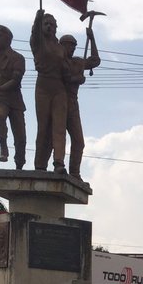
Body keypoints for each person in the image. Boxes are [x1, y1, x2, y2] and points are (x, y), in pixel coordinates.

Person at [60, 26, 100, 179]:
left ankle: (74, 172)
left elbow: (95, 61)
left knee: (79, 141)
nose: (72, 48)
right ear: (61, 45)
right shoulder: (56, 61)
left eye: (74, 46)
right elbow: (62, 78)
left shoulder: (77, 62)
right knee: (58, 138)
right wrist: (77, 78)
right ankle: (59, 166)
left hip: (73, 104)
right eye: (69, 45)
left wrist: (92, 37)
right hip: (59, 102)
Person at [0, 25, 26, 169]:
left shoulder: (18, 58)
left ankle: (19, 162)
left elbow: (16, 80)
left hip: (15, 100)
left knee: (20, 138)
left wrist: (0, 88)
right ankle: (3, 146)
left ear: (8, 39)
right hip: (0, 99)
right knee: (0, 116)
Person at [30, 8, 68, 172]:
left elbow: (67, 67)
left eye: (52, 24)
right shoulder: (38, 43)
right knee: (43, 127)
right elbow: (34, 35)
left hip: (59, 87)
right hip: (43, 87)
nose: (49, 27)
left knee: (59, 127)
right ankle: (40, 164)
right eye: (46, 24)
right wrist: (37, 19)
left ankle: (58, 162)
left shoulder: (60, 48)